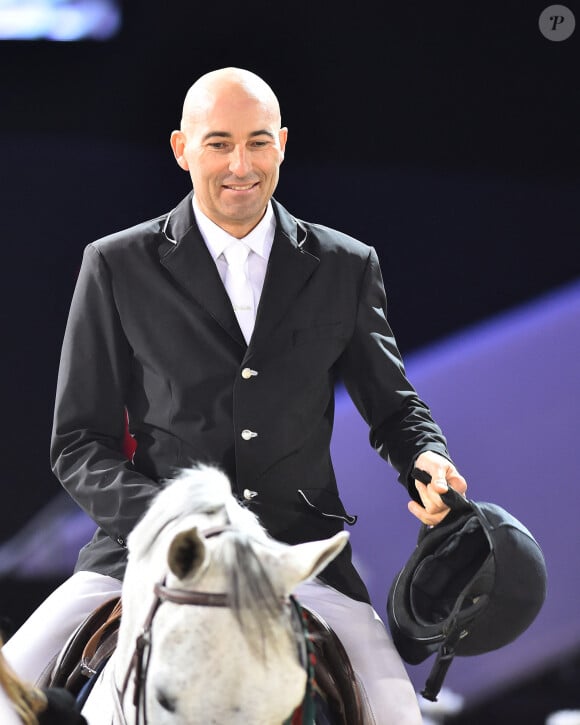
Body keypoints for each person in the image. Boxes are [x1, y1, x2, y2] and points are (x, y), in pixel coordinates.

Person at [4, 67, 467, 724]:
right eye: (219, 142)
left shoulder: (345, 264)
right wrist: (171, 527)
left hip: (293, 556)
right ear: (181, 148)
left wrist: (424, 456)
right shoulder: (115, 265)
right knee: (8, 691)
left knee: (397, 711)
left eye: (257, 142)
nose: (240, 164)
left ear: (281, 142)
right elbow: (79, 443)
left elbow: (394, 406)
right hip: (147, 550)